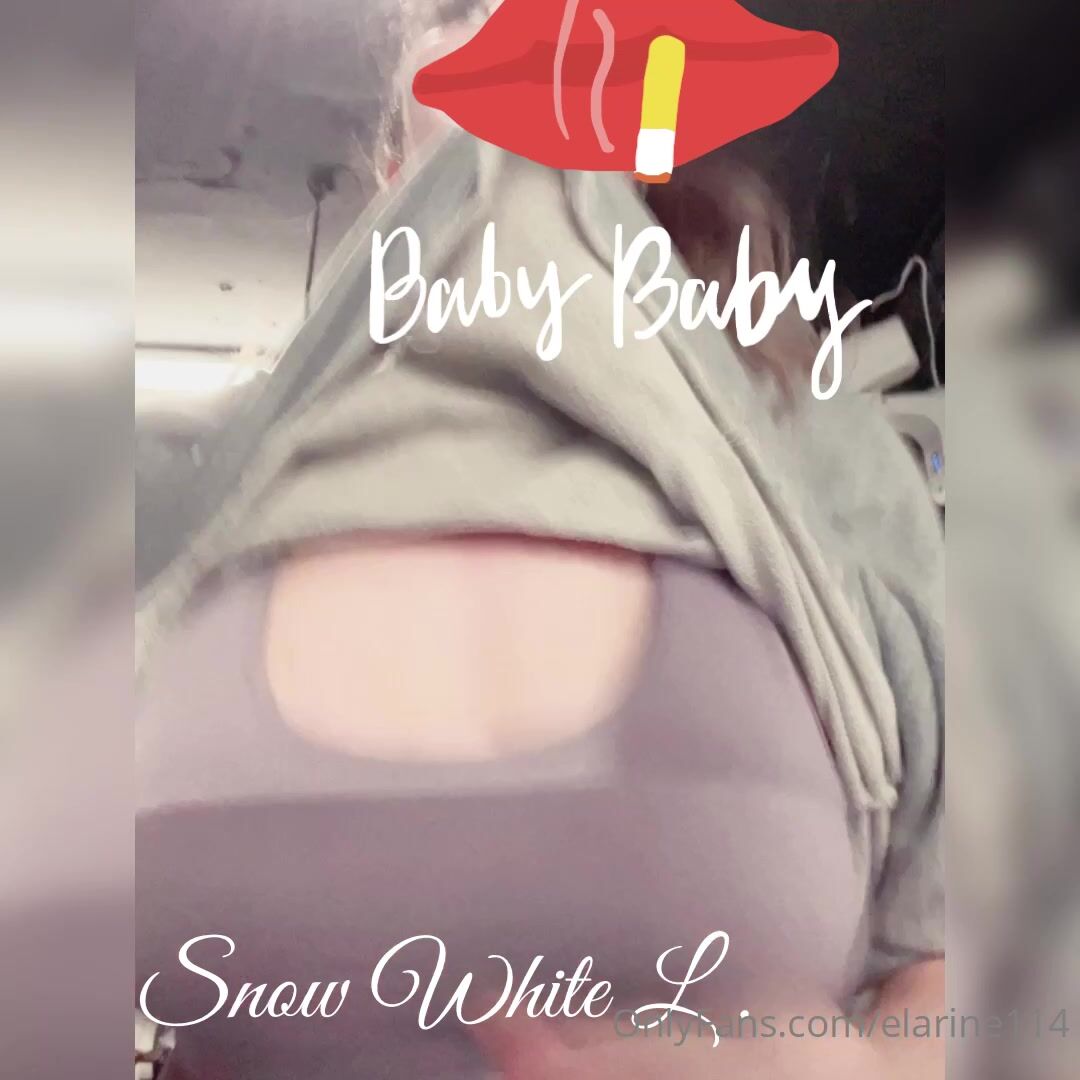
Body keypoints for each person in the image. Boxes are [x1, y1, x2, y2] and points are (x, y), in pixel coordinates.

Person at [137, 5, 944, 1077]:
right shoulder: (206, 496)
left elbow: (956, 952)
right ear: (396, 183)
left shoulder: (829, 461)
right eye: (463, 139)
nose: (507, 179)